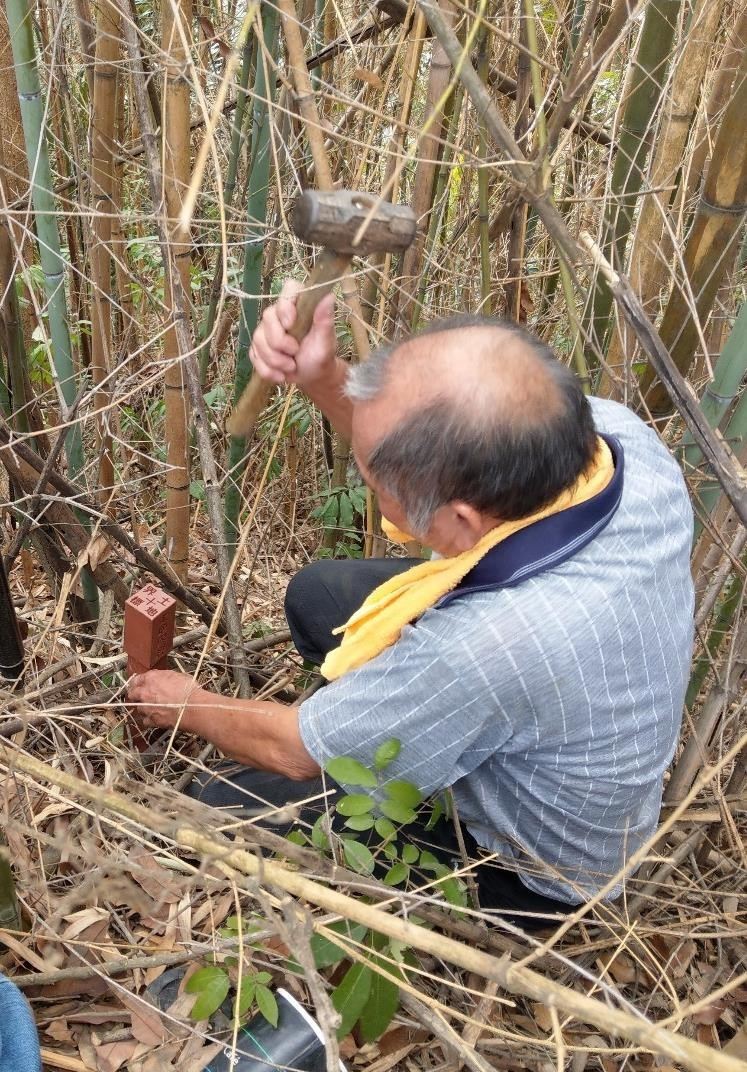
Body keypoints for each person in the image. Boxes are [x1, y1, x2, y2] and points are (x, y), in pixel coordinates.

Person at [128, 282, 694, 929]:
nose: (371, 495)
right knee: (318, 598)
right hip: (551, 688)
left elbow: (293, 750)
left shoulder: (486, 649)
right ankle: (394, 729)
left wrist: (184, 703)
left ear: (458, 518)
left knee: (224, 800)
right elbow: (420, 449)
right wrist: (324, 378)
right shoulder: (616, 442)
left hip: (532, 867)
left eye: (376, 485)